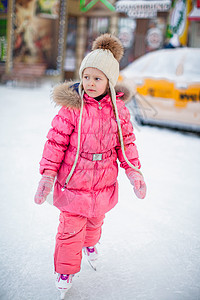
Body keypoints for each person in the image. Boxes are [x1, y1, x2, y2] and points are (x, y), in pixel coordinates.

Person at [34, 33, 146, 299]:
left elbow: (126, 143)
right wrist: (48, 176)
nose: (90, 83)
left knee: (95, 222)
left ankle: (91, 244)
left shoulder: (119, 110)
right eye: (86, 77)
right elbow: (55, 142)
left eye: (97, 78)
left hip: (103, 181)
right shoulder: (72, 108)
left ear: (109, 81)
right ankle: (65, 270)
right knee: (70, 227)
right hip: (73, 180)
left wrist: (134, 172)